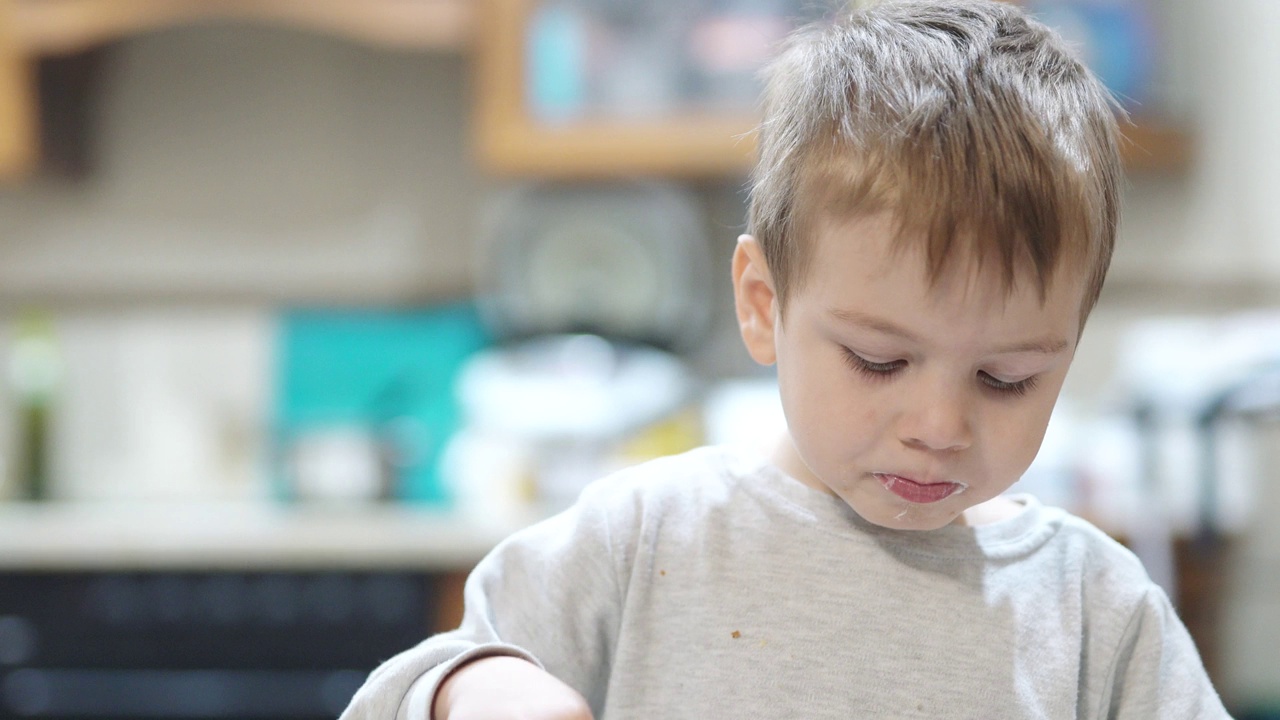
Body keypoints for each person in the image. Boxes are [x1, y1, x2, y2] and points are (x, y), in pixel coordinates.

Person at [341, 1, 1231, 717]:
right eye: (880, 360)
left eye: (1008, 379)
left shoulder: (1097, 609)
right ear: (764, 306)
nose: (940, 428)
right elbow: (393, 696)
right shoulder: (644, 538)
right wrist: (472, 690)